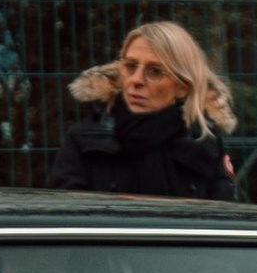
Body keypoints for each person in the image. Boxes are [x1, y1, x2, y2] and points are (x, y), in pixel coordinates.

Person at [51, 20, 238, 200]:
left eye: (155, 71)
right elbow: (68, 220)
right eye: (130, 66)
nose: (136, 80)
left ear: (182, 87)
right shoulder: (85, 140)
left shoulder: (203, 144)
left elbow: (227, 221)